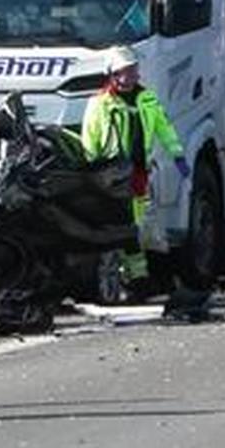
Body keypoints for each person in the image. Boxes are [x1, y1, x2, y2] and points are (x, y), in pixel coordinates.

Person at [81, 46, 189, 286]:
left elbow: (164, 128)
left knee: (140, 226)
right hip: (112, 174)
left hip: (139, 172)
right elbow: (91, 137)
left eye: (134, 70)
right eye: (127, 71)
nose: (132, 75)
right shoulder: (100, 104)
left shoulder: (147, 99)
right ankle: (130, 276)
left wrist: (178, 155)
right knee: (121, 225)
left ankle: (139, 276)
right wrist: (91, 168)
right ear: (113, 74)